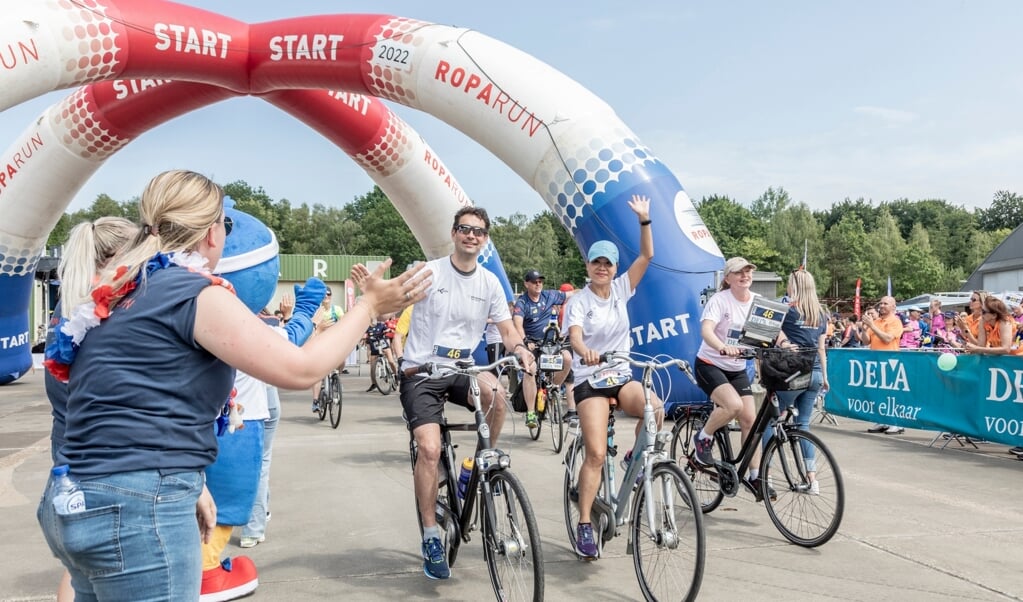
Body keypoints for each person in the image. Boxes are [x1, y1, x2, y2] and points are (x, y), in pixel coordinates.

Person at [38, 169, 428, 601]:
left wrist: (194, 486)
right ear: (210, 234)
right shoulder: (193, 293)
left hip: (72, 500)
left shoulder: (121, 293)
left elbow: (131, 402)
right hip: (137, 508)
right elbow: (300, 369)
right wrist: (370, 306)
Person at [398, 206, 534, 580]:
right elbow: (394, 302)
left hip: (462, 371)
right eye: (464, 229)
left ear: (485, 239)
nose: (471, 235)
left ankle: (478, 464)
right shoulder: (431, 272)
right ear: (454, 233)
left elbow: (507, 331)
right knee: (428, 448)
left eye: (478, 231)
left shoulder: (489, 282)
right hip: (422, 372)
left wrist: (521, 351)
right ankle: (429, 535)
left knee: (498, 395)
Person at [42, 216, 138, 602]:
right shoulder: (106, 312)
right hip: (105, 460)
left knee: (80, 568)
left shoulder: (70, 308)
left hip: (67, 454)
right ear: (118, 256)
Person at [563, 194, 658, 560]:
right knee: (597, 454)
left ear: (615, 268)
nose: (602, 268)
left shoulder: (621, 288)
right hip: (592, 381)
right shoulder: (580, 301)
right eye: (596, 262)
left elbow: (647, 256)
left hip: (620, 373)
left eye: (608, 263)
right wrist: (582, 347)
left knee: (655, 409)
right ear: (588, 266)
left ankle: (635, 459)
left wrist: (644, 220)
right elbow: (574, 334)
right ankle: (585, 523)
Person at [691, 257, 774, 499]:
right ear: (728, 278)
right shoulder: (720, 300)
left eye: (748, 271)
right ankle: (703, 437)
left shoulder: (757, 301)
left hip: (736, 367)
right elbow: (706, 330)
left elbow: (770, 332)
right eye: (739, 272)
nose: (745, 275)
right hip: (710, 363)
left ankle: (755, 476)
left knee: (750, 419)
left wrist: (785, 343)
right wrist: (721, 346)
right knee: (733, 406)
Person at [770, 269, 829, 495]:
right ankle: (812, 479)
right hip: (814, 372)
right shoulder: (821, 314)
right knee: (803, 424)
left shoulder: (788, 312)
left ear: (793, 286)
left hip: (793, 373)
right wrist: (825, 376)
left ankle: (766, 476)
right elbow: (821, 348)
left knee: (770, 420)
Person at [513, 269, 576, 427]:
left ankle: (552, 388)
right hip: (532, 344)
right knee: (530, 369)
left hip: (550, 343)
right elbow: (517, 325)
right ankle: (531, 413)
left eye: (540, 281)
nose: (538, 284)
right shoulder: (522, 302)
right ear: (526, 283)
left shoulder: (550, 295)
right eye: (534, 281)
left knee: (567, 358)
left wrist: (593, 287)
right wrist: (525, 341)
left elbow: (572, 293)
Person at [858, 296, 905, 434]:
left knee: (892, 393)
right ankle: (882, 420)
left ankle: (897, 422)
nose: (882, 305)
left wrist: (872, 326)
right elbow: (866, 341)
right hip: (876, 361)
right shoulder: (876, 321)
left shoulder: (895, 322)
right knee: (879, 393)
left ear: (893, 307)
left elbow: (887, 338)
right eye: (881, 303)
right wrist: (865, 328)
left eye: (886, 303)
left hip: (891, 362)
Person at [311, 287, 348, 412]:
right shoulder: (316, 312)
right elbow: (311, 330)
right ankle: (315, 401)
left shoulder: (336, 310)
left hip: (334, 343)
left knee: (342, 360)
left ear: (331, 296)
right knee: (319, 374)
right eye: (324, 295)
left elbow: (344, 324)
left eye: (328, 294)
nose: (326, 297)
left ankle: (336, 377)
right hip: (319, 344)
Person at [365, 313, 398, 392]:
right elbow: (364, 336)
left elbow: (388, 329)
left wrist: (388, 330)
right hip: (374, 348)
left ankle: (396, 375)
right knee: (372, 368)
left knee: (391, 361)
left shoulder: (381, 325)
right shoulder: (367, 328)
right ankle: (374, 383)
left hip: (383, 345)